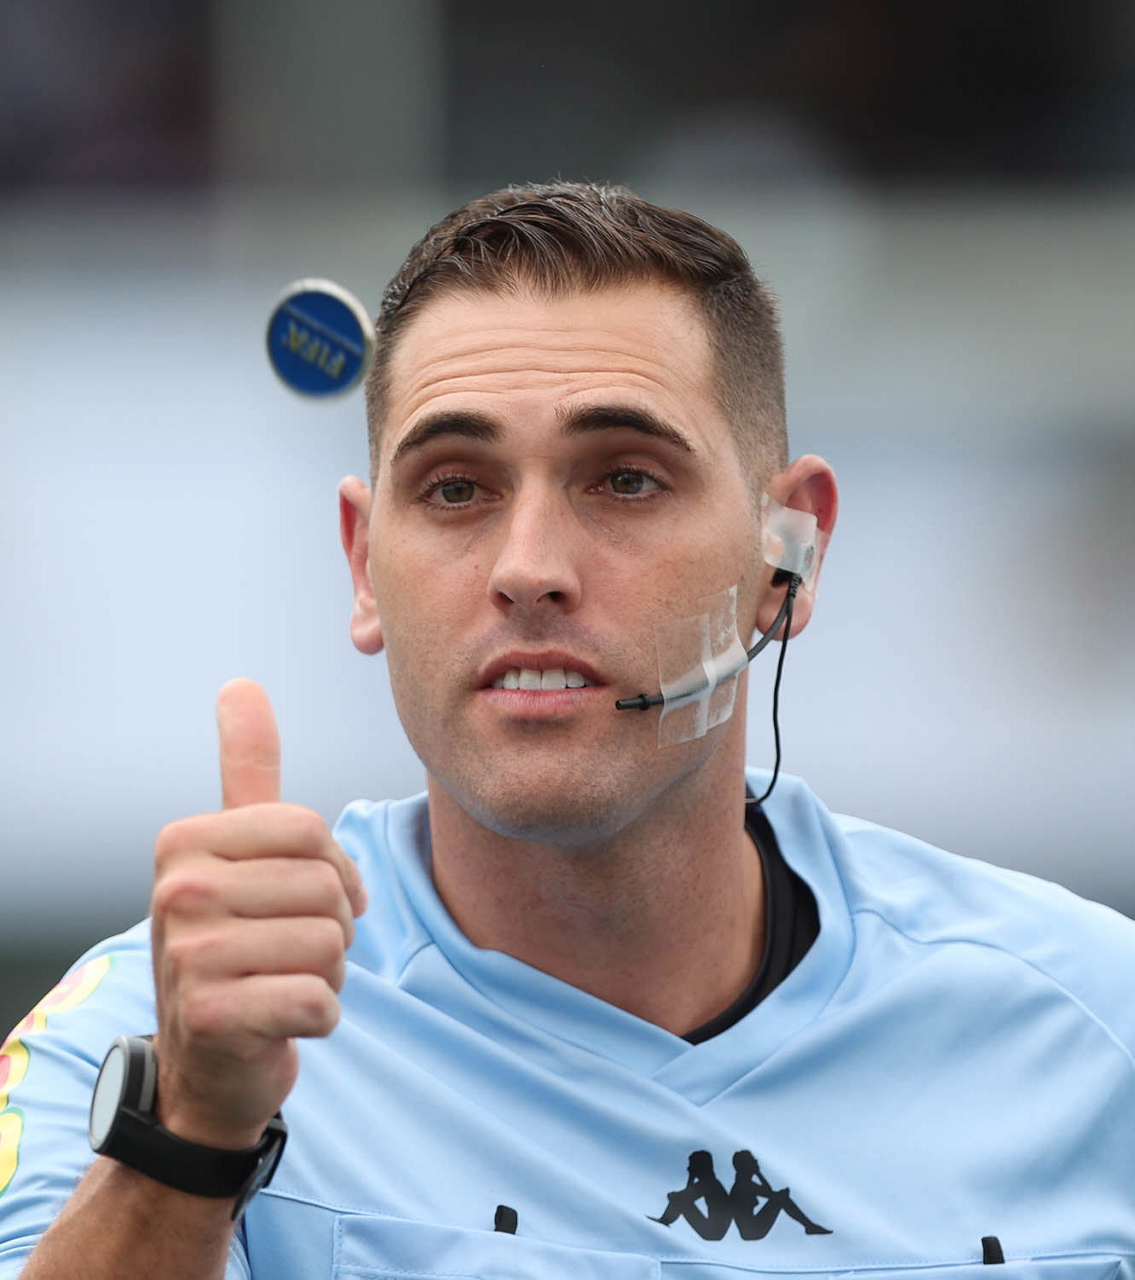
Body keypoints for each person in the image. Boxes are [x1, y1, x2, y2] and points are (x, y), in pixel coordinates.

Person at [2, 182, 1133, 1280]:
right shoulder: (153, 1041)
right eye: (455, 488)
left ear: (788, 554)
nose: (529, 567)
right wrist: (187, 1141)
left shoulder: (1094, 1025)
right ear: (363, 565)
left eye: (625, 479)